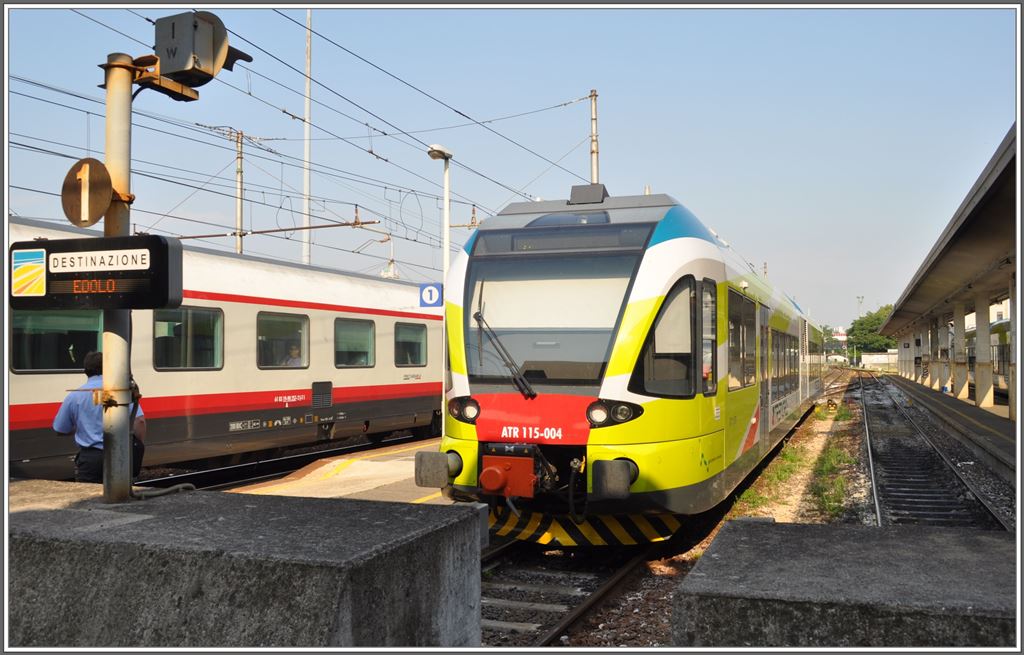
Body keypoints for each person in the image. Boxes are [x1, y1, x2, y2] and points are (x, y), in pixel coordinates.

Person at [52, 351, 146, 483]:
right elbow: (139, 421)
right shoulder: (120, 393)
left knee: (88, 498)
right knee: (121, 496)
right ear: (110, 369)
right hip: (120, 454)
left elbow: (60, 429)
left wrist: (81, 427)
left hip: (90, 459)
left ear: (85, 371)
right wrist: (137, 444)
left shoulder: (74, 396)